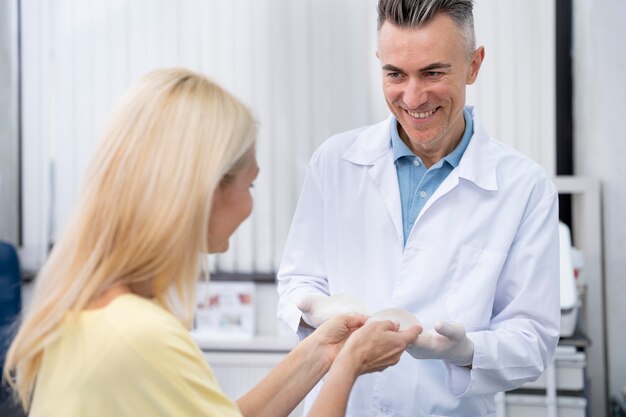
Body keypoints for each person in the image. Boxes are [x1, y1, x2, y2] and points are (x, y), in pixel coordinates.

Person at [2, 68, 422, 417]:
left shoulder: (93, 313)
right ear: (201, 192)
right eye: (250, 184)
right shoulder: (141, 337)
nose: (249, 207)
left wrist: (323, 354)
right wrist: (348, 366)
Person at [277, 0, 560, 416]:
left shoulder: (525, 188)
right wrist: (315, 310)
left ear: (474, 65)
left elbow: (533, 339)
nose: (413, 97)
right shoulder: (335, 162)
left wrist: (466, 349)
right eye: (395, 74)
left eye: (433, 72)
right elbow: (297, 281)